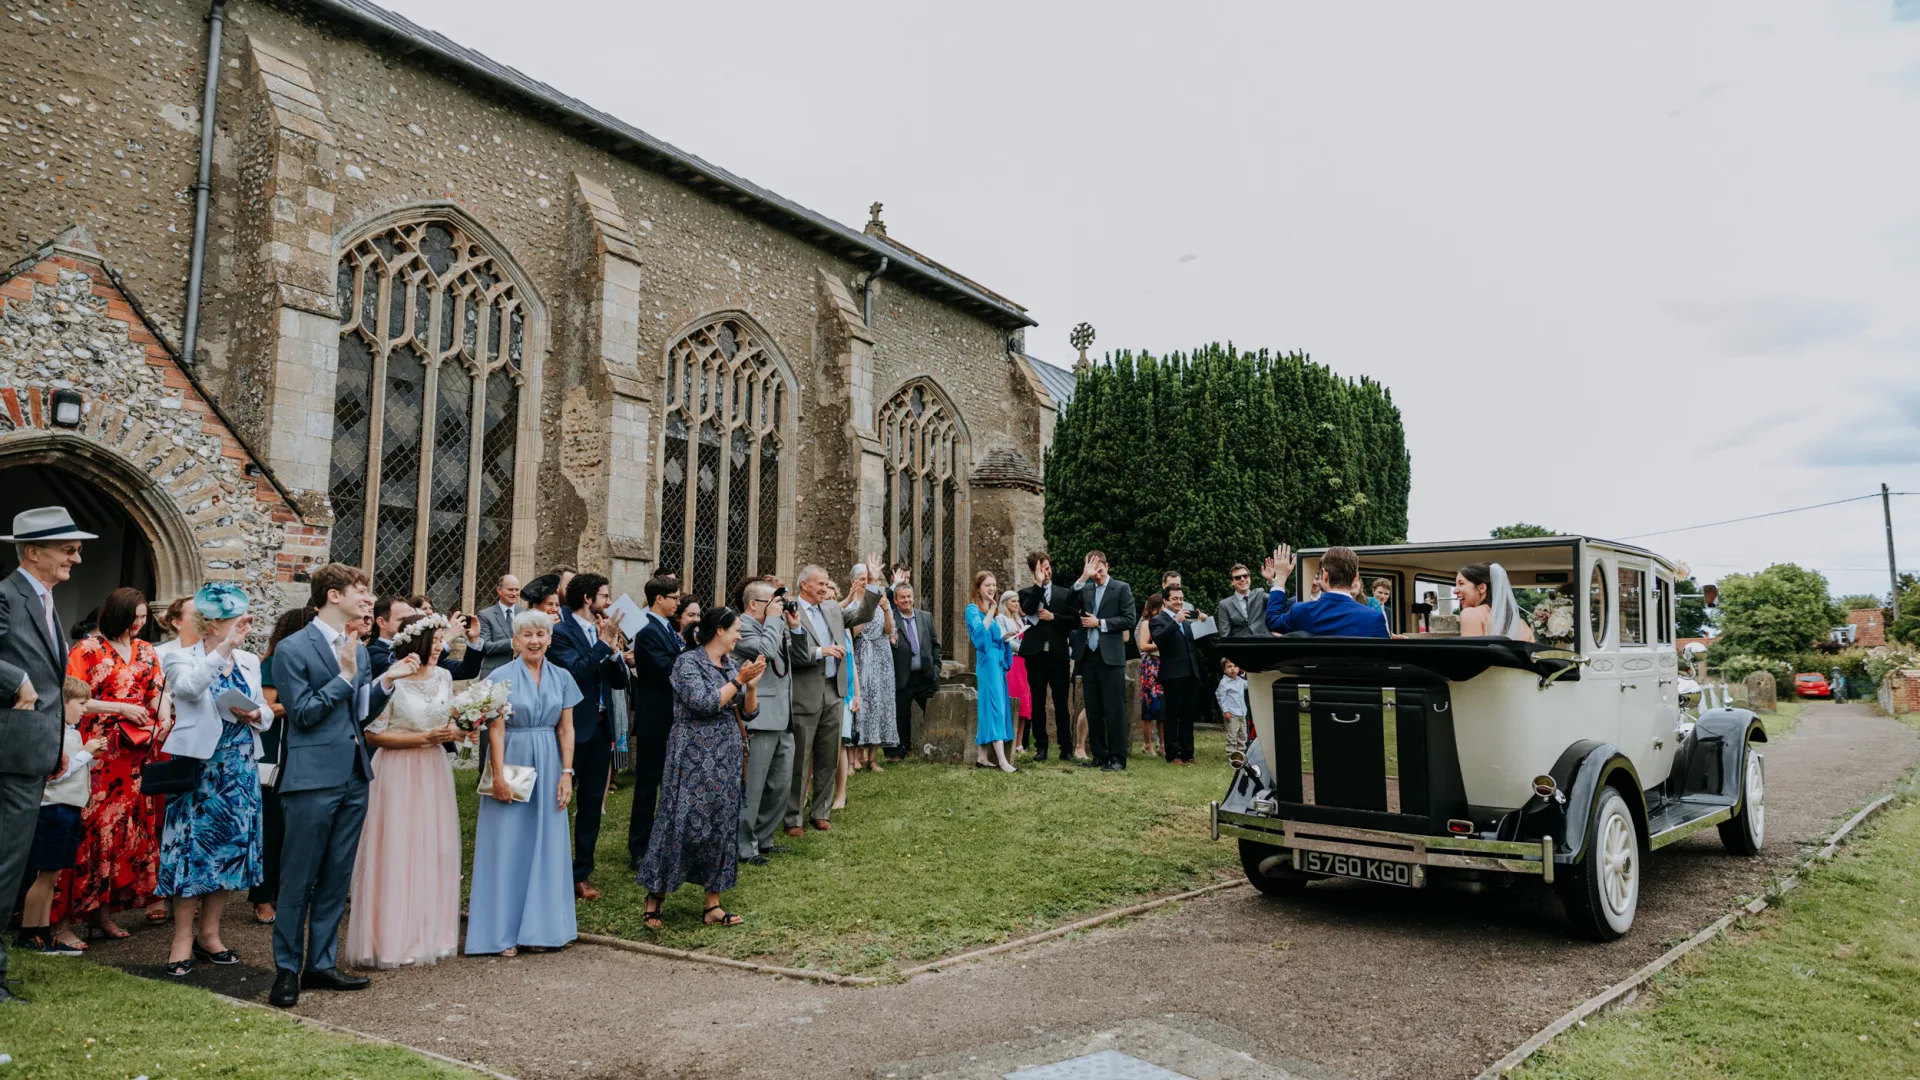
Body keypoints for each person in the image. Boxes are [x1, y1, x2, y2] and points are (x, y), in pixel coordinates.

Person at [267, 562, 400, 1008]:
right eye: (359, 590)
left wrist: (385, 682)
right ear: (332, 595)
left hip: (353, 775)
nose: (368, 598)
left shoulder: (358, 650)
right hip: (309, 779)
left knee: (335, 876)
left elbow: (358, 712)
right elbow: (302, 713)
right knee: (297, 878)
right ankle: (287, 968)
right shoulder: (291, 649)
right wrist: (343, 676)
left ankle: (321, 964)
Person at [156, 583, 273, 979]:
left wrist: (258, 716)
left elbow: (264, 708)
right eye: (229, 622)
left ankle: (210, 935)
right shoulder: (178, 657)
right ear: (210, 624)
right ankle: (181, 940)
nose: (238, 628)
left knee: (227, 850)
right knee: (192, 850)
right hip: (200, 768)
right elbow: (188, 689)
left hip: (239, 764)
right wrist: (222, 651)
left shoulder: (250, 660)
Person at [0, 507, 93, 1003]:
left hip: (36, 751)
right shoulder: (6, 595)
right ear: (33, 551)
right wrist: (16, 680)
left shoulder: (43, 600)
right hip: (11, 749)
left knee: (11, 866)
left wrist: (57, 744)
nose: (76, 558)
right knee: (5, 863)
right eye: (68, 548)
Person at [345, 614, 463, 969]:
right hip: (396, 771)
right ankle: (390, 938)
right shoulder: (392, 677)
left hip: (433, 770)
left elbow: (448, 719)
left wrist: (459, 731)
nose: (441, 645)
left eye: (443, 639)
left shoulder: (444, 675)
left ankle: (430, 933)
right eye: (436, 639)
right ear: (417, 641)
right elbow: (372, 734)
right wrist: (422, 738)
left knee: (432, 847)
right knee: (396, 849)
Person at [639, 607, 766, 928]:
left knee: (720, 824)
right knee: (679, 820)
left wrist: (750, 687)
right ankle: (656, 896)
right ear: (719, 631)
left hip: (726, 757)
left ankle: (713, 904)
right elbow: (704, 703)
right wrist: (738, 681)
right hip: (692, 756)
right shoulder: (687, 663)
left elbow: (749, 714)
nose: (740, 635)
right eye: (736, 629)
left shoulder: (731, 665)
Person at [467, 609, 580, 957]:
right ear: (515, 640)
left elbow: (566, 728)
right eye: (527, 635)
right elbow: (495, 730)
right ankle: (501, 934)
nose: (534, 641)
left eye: (541, 634)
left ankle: (542, 929)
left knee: (546, 842)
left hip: (550, 760)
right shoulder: (500, 676)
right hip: (511, 756)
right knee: (507, 844)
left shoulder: (562, 676)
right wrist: (498, 776)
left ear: (549, 639)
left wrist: (567, 773)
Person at [59, 587, 166, 944]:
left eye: (143, 618)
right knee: (91, 831)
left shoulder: (147, 650)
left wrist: (161, 720)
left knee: (123, 833)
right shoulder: (86, 649)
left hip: (135, 755)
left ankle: (103, 915)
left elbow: (157, 693)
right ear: (115, 614)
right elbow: (72, 699)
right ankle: (65, 921)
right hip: (99, 752)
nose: (139, 624)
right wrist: (118, 708)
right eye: (133, 617)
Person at [548, 572, 627, 901]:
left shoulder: (603, 633)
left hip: (600, 726)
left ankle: (581, 873)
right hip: (570, 729)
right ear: (587, 599)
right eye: (605, 596)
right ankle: (550, 867)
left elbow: (620, 682)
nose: (608, 603)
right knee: (557, 801)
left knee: (592, 803)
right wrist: (600, 644)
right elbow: (575, 672)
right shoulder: (560, 633)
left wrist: (613, 651)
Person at [786, 559, 880, 833]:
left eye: (828, 585)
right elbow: (792, 653)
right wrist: (821, 652)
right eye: (821, 584)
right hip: (806, 691)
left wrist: (872, 583)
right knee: (801, 756)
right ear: (805, 585)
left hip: (834, 690)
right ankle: (793, 817)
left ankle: (821, 811)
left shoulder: (831, 608)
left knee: (828, 753)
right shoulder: (789, 612)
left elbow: (863, 615)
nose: (826, 589)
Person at [14, 677, 104, 955]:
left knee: (53, 875)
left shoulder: (72, 732)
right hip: (53, 809)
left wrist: (90, 755)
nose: (85, 709)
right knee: (45, 872)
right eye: (80, 703)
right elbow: (54, 776)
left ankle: (43, 933)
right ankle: (28, 933)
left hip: (69, 807)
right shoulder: (54, 733)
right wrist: (86, 755)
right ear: (62, 703)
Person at [251, 606, 314, 927]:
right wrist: (305, 704)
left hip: (303, 754)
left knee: (293, 830)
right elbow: (266, 707)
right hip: (276, 755)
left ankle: (282, 892)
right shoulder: (274, 662)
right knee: (272, 829)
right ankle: (261, 897)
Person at [625, 575, 685, 869]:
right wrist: (691, 661)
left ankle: (662, 840)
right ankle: (639, 847)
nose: (678, 602)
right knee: (648, 784)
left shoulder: (667, 628)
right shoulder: (647, 630)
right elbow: (663, 668)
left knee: (668, 783)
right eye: (674, 598)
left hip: (671, 715)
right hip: (655, 716)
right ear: (658, 599)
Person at [734, 579, 795, 866]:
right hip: (757, 716)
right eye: (773, 601)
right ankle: (745, 846)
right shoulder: (740, 627)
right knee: (753, 786)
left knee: (779, 784)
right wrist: (774, 621)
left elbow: (800, 657)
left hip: (783, 714)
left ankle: (765, 837)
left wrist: (793, 627)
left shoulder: (775, 624)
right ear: (754, 604)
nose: (778, 606)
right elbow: (765, 652)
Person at [1074, 551, 1137, 772]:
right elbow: (1069, 602)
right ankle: (1099, 756)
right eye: (1093, 572)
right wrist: (1083, 578)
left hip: (1110, 657)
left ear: (1107, 566)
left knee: (1114, 709)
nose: (1097, 576)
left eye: (1099, 570)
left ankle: (1117, 758)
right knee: (1093, 708)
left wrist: (1099, 622)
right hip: (1089, 656)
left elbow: (1130, 619)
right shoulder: (1087, 588)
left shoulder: (1121, 588)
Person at [1017, 550, 1081, 762]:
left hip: (1058, 655)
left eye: (1048, 567)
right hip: (1035, 655)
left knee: (1061, 702)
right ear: (1033, 571)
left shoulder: (1063, 594)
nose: (1047, 571)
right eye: (1042, 568)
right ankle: (1041, 747)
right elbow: (1028, 609)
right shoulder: (1026, 593)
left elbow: (1074, 620)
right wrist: (1038, 585)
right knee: (1038, 702)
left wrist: (1054, 617)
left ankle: (1066, 748)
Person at [1263, 545, 1391, 639]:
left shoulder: (1300, 612)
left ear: (1324, 575)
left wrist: (1280, 577)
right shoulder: (1374, 618)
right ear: (1355, 578)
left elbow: (1273, 621)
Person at [965, 571, 1020, 773]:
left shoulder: (994, 615)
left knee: (992, 707)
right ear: (979, 588)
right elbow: (979, 638)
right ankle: (1002, 761)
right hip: (987, 665)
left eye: (994, 585)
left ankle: (982, 757)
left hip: (997, 663)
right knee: (995, 708)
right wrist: (991, 610)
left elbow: (995, 639)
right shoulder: (972, 610)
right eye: (987, 585)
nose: (991, 589)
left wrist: (1006, 636)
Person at [849, 564, 897, 773]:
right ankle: (855, 755)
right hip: (861, 656)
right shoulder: (851, 606)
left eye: (868, 579)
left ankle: (873, 758)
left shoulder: (880, 605)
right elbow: (854, 633)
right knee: (862, 704)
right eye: (862, 578)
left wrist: (885, 608)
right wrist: (867, 607)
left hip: (882, 657)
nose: (865, 582)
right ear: (853, 582)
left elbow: (889, 630)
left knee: (881, 703)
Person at [887, 580, 942, 761]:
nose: (906, 600)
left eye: (909, 596)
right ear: (895, 600)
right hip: (902, 677)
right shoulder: (890, 619)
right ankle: (901, 751)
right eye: (902, 597)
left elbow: (935, 645)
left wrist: (936, 668)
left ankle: (938, 748)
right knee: (901, 717)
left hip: (926, 676)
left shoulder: (925, 617)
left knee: (935, 713)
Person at [367, 597, 483, 681]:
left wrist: (473, 641)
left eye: (413, 619)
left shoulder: (423, 652)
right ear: (381, 622)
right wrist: (447, 638)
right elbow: (409, 671)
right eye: (403, 619)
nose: (410, 623)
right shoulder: (373, 653)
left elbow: (466, 671)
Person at [1151, 585, 1201, 765]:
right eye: (1175, 599)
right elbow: (1160, 640)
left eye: (1181, 598)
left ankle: (1188, 753)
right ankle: (1173, 754)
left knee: (1188, 714)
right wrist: (1176, 622)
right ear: (1165, 600)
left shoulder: (1187, 621)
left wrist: (1204, 623)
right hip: (1172, 673)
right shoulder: (1158, 619)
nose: (1179, 602)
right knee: (1173, 714)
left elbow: (1201, 643)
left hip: (1191, 672)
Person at [1456, 563, 1535, 642]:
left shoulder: (1470, 614)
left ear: (1482, 588)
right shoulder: (1521, 624)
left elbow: (1469, 653)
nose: (1455, 591)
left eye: (1461, 583)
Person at [998, 590, 1033, 754]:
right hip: (1012, 663)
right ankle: (1008, 740)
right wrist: (1025, 649)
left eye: (1018, 601)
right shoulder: (1001, 619)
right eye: (1013, 601)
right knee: (1013, 701)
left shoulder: (1019, 620)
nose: (1017, 604)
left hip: (1024, 664)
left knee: (1024, 705)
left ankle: (1019, 743)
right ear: (1005, 603)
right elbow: (1005, 641)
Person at [1135, 593, 1166, 759]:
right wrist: (1160, 644)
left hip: (1163, 665)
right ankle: (1147, 744)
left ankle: (1162, 745)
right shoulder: (1147, 623)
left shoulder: (1163, 623)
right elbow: (1142, 645)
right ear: (1154, 608)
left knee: (1162, 708)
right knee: (1148, 706)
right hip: (1150, 667)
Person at [475, 575, 523, 678]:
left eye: (517, 590)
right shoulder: (485, 615)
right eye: (510, 589)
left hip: (520, 673)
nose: (514, 593)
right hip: (493, 674)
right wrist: (511, 643)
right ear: (499, 590)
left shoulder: (525, 614)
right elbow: (485, 646)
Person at [1217, 563, 1271, 639]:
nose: (1242, 579)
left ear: (1249, 578)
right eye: (1238, 577)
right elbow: (1225, 635)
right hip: (1240, 647)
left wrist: (1271, 581)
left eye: (1245, 576)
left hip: (1263, 643)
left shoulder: (1260, 594)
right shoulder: (1224, 604)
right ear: (1232, 582)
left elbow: (1278, 602)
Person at [1216, 657, 1250, 760]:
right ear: (1224, 670)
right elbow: (1220, 697)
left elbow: (1249, 685)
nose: (1232, 669)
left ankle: (1241, 755)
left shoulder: (1240, 681)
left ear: (1239, 669)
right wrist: (1225, 711)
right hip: (1232, 714)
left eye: (1235, 666)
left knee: (1243, 735)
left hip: (1242, 713)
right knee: (1232, 736)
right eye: (1229, 667)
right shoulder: (1224, 683)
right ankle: (1232, 755)